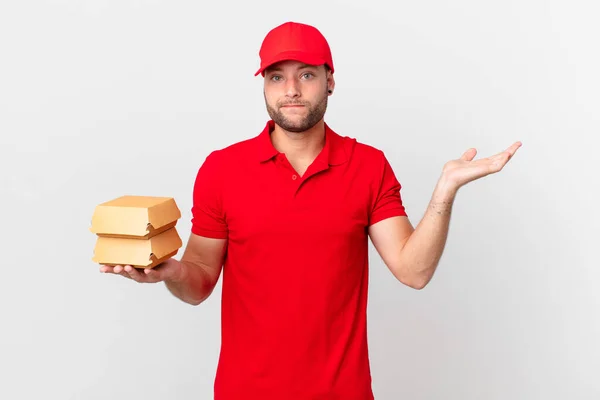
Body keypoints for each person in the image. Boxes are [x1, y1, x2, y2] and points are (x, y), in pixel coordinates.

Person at [99, 21, 521, 400]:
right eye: (276, 77)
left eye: (306, 75)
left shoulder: (368, 166)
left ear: (330, 81)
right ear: (264, 86)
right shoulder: (222, 169)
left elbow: (414, 271)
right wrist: (173, 272)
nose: (292, 90)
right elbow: (199, 283)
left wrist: (444, 190)